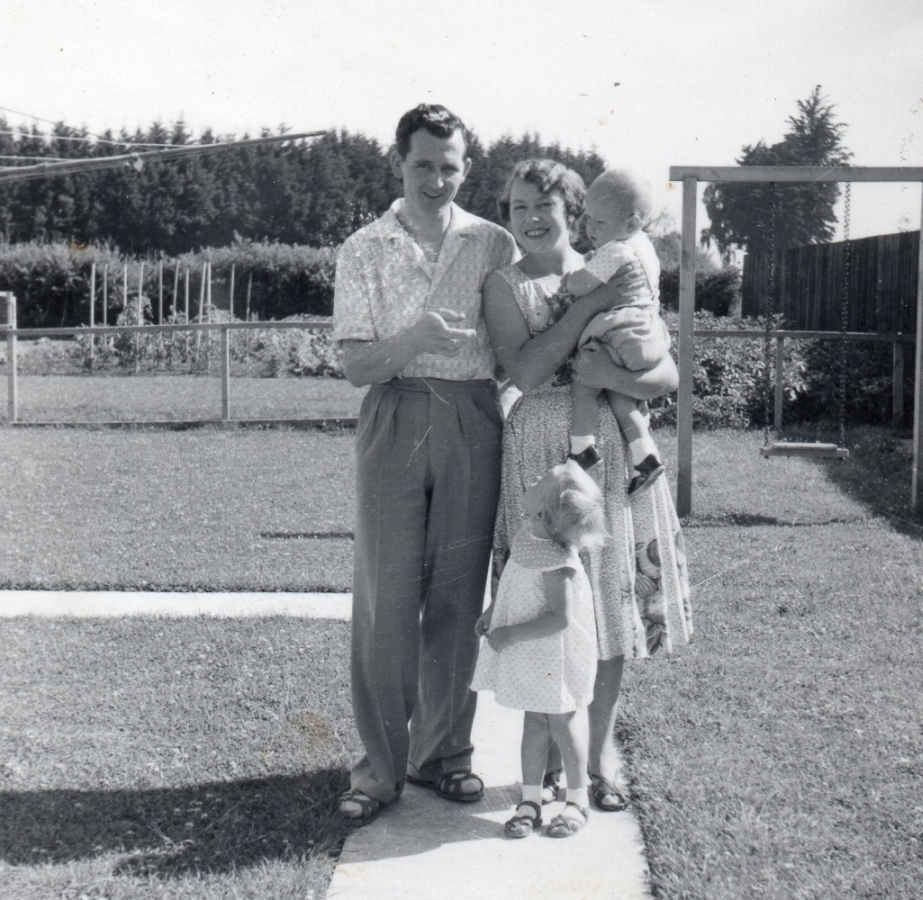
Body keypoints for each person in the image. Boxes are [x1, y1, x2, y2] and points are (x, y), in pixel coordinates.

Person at [483, 158, 692, 814]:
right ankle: (544, 759)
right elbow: (526, 364)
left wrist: (617, 372)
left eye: (545, 206)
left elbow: (666, 376)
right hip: (536, 449)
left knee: (605, 599)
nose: (532, 219)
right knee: (547, 597)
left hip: (606, 441)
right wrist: (592, 310)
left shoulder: (617, 261)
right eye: (518, 208)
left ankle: (597, 753)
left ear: (575, 212)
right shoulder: (504, 284)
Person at [331, 104, 518, 823]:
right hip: (394, 410)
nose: (436, 178)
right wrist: (413, 337)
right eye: (423, 164)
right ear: (398, 162)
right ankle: (379, 768)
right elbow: (355, 365)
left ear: (465, 168)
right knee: (385, 600)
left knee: (456, 596)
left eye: (450, 165)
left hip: (473, 415)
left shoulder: (492, 242)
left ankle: (443, 756)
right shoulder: (363, 248)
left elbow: (515, 347)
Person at [471, 460, 607, 838]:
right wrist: (494, 610)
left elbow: (559, 619)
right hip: (534, 655)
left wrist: (510, 635)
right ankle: (530, 799)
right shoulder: (529, 535)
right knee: (533, 722)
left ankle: (577, 799)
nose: (533, 477)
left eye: (542, 480)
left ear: (546, 512)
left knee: (562, 722)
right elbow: (513, 581)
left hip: (555, 656)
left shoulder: (557, 562)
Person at [564, 169, 670, 496]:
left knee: (586, 382)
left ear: (631, 225)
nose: (589, 227)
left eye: (599, 223)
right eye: (588, 217)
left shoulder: (615, 250)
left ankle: (582, 449)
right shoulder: (643, 246)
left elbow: (582, 285)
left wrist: (569, 280)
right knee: (622, 395)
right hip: (649, 331)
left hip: (622, 329)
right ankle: (645, 456)